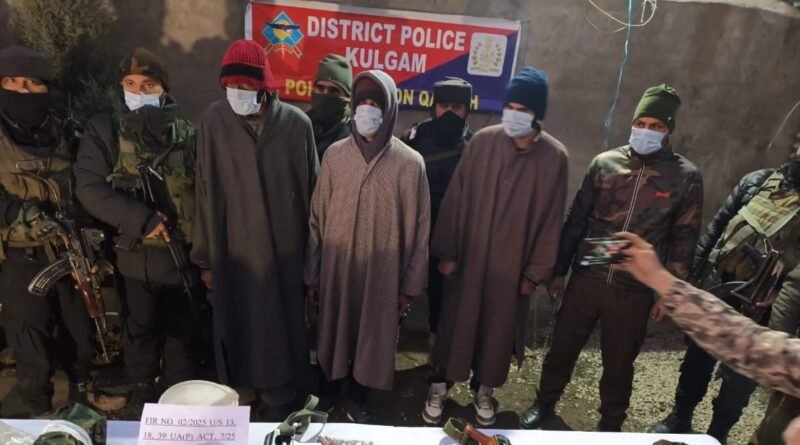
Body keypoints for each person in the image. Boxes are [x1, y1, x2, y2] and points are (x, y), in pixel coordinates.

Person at [520, 84, 704, 432]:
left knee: (619, 363)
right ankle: (544, 403)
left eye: (656, 126)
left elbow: (684, 238)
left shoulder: (685, 177)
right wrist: (559, 270)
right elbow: (576, 219)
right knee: (562, 348)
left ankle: (610, 424)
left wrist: (670, 293)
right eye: (641, 123)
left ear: (668, 131)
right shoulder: (605, 164)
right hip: (587, 277)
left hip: (634, 288)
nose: (646, 131)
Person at [422, 67, 568, 427]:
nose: (514, 115)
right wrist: (447, 252)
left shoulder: (554, 158)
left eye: (524, 109)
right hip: (469, 261)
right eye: (510, 107)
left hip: (512, 269)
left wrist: (534, 273)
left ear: (537, 114)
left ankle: (484, 390)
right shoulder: (483, 143)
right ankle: (439, 386)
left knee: (498, 333)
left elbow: (552, 219)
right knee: (454, 325)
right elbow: (456, 199)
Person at [192, 39, 317, 419]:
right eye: (231, 85)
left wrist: (312, 262)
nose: (238, 92)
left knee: (280, 324)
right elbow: (203, 190)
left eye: (246, 85)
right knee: (235, 321)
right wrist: (204, 257)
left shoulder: (296, 125)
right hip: (231, 248)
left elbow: (313, 196)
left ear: (264, 85)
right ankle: (239, 396)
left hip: (284, 250)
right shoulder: (213, 122)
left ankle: (279, 396)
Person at [74, 48, 199, 416]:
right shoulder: (105, 129)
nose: (138, 91)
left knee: (182, 343)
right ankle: (143, 408)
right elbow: (90, 188)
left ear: (164, 89)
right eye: (130, 84)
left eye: (148, 84)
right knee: (139, 338)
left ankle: (178, 414)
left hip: (182, 259)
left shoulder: (188, 134)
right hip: (133, 258)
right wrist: (142, 219)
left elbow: (207, 194)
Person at [649, 145, 800, 442]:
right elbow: (717, 227)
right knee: (697, 359)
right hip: (721, 286)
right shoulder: (757, 182)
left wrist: (780, 295)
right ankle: (680, 417)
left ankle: (718, 432)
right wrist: (693, 276)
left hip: (762, 308)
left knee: (739, 381)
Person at [305, 70, 430, 423]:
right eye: (362, 103)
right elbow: (317, 218)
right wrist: (312, 273)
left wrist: (409, 285)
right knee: (333, 330)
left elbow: (420, 230)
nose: (367, 110)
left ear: (389, 110)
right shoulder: (335, 156)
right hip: (337, 269)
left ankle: (358, 397)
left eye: (376, 103)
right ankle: (330, 391)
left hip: (382, 275)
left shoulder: (409, 164)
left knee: (373, 335)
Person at [616, 230, 800, 445]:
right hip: (728, 296)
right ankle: (682, 416)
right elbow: (755, 347)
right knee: (697, 366)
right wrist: (664, 281)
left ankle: (718, 431)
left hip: (759, 312)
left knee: (736, 389)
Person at [0, 44, 93, 416]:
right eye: (12, 82)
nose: (22, 91)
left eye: (33, 83)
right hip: (21, 253)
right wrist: (22, 215)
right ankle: (37, 417)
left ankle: (82, 408)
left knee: (80, 335)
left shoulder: (65, 131)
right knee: (30, 342)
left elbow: (88, 182)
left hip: (70, 251)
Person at [400, 77, 474, 348]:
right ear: (434, 106)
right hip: (412, 232)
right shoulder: (414, 137)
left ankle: (437, 351)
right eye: (444, 106)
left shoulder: (474, 146)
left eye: (457, 107)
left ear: (467, 109)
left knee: (442, 299)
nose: (449, 113)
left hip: (448, 239)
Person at [306, 54, 352, 158]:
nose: (325, 94)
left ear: (347, 97)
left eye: (333, 91)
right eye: (320, 88)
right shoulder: (300, 126)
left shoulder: (354, 136)